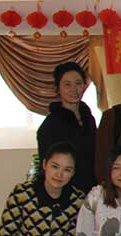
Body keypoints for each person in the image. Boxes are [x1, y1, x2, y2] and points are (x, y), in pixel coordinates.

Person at [37, 62, 97, 193]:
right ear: (58, 88)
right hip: (65, 192)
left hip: (92, 190)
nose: (73, 89)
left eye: (78, 83)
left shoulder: (89, 118)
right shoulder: (50, 125)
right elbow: (47, 168)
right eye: (67, 84)